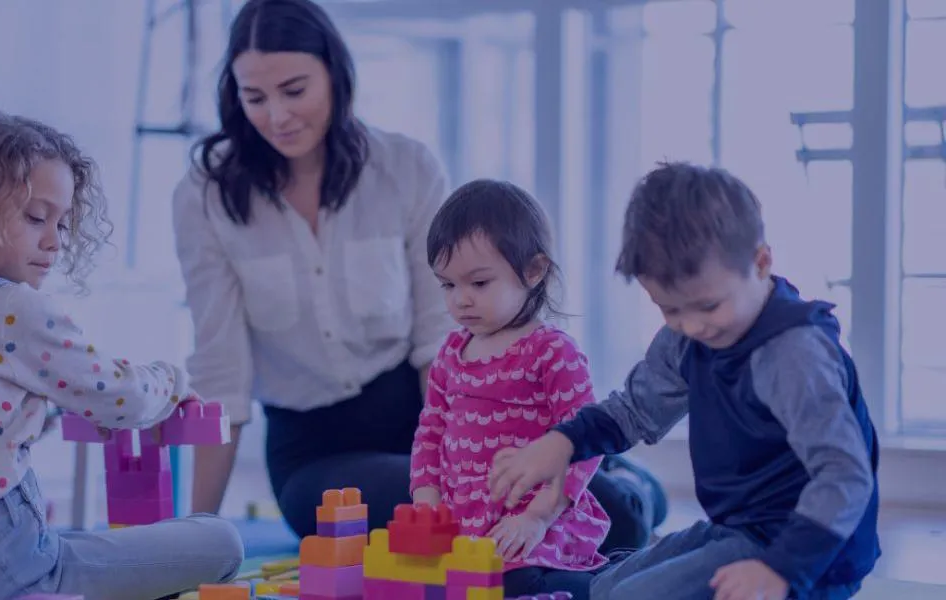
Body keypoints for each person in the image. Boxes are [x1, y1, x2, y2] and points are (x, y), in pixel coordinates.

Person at [173, 0, 667, 550]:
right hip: (315, 452)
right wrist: (197, 534)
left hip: (432, 417)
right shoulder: (204, 197)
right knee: (445, 525)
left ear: (336, 76)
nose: (277, 117)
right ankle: (617, 485)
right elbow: (221, 372)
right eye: (254, 97)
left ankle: (621, 484)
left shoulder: (405, 166)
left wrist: (465, 459)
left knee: (598, 513)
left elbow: (442, 337)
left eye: (294, 90)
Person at [0, 106, 243, 599]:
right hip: (6, 573)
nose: (54, 242)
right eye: (37, 217)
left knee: (87, 541)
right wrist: (172, 381)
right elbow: (122, 397)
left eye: (62, 225)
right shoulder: (9, 306)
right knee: (221, 541)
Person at [489, 162, 881, 600]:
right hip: (741, 528)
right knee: (607, 587)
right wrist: (560, 443)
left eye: (708, 306)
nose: (691, 326)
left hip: (809, 553)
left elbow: (844, 476)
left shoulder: (793, 354)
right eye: (669, 309)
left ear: (761, 262)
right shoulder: (686, 336)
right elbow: (635, 411)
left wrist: (781, 570)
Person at [411, 179, 608, 599]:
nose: (460, 300)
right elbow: (430, 433)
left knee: (516, 582)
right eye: (447, 285)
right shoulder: (449, 353)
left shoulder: (552, 352)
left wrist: (537, 517)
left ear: (533, 272)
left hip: (537, 521)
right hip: (466, 527)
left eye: (479, 284)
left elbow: (586, 441)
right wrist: (426, 502)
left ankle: (620, 578)